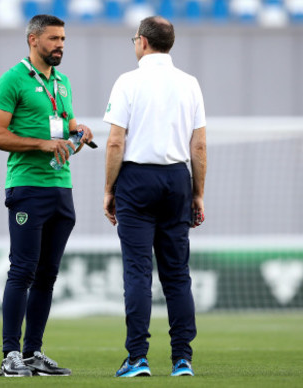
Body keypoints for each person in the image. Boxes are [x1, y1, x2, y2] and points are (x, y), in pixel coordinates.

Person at [0, 14, 94, 377]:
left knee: (48, 275)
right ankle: (10, 355)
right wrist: (42, 143)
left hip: (61, 189)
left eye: (63, 39)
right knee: (23, 271)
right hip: (28, 188)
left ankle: (33, 353)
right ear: (33, 40)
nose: (60, 44)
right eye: (53, 39)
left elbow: (68, 137)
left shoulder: (62, 83)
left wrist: (78, 136)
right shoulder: (12, 79)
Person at [102, 16, 207, 378]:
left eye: (134, 39)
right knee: (177, 275)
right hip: (178, 177)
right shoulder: (190, 83)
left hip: (136, 178)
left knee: (138, 273)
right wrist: (198, 194)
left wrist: (108, 189)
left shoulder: (128, 82)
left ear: (143, 42)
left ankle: (137, 358)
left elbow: (116, 141)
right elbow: (199, 145)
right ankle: (182, 359)